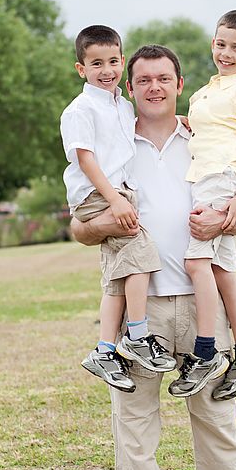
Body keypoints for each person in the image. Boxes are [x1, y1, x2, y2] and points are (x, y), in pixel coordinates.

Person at [71, 45, 236, 470]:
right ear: (129, 87)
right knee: (135, 426)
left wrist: (225, 222)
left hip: (200, 302)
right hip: (140, 310)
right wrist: (108, 223)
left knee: (216, 417)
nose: (155, 87)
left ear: (180, 84)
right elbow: (78, 227)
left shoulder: (205, 136)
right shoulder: (112, 144)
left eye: (164, 78)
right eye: (144, 80)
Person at [60, 25, 176, 393]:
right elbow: (86, 158)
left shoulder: (121, 105)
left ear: (121, 61)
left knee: (117, 275)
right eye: (96, 63)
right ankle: (137, 336)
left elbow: (134, 132)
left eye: (112, 61)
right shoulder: (81, 109)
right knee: (142, 253)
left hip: (117, 190)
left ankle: (105, 349)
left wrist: (183, 122)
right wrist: (114, 199)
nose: (106, 69)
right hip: (99, 192)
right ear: (81, 69)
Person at [168, 10, 236, 401]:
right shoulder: (205, 92)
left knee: (196, 263)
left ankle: (207, 351)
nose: (226, 53)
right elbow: (209, 129)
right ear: (213, 42)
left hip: (223, 180)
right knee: (223, 270)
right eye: (221, 44)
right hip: (205, 179)